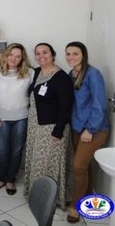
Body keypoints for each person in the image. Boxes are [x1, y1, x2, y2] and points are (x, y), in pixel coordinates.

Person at [23, 43, 73, 210]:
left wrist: (58, 131)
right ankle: (35, 195)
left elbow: (66, 106)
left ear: (53, 54)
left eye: (45, 52)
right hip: (35, 125)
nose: (41, 56)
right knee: (35, 160)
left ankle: (50, 199)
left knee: (47, 163)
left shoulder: (61, 78)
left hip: (51, 127)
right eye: (37, 53)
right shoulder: (36, 72)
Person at [65, 41, 110, 223]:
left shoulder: (93, 74)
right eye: (68, 54)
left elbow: (100, 104)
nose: (71, 57)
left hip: (94, 129)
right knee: (84, 166)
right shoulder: (71, 74)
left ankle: (75, 206)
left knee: (78, 167)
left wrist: (90, 129)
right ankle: (86, 199)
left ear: (83, 55)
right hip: (77, 128)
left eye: (75, 54)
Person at [0, 43, 34, 195]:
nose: (13, 58)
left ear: (22, 59)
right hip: (0, 117)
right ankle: (1, 178)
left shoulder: (30, 73)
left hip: (22, 118)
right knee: (1, 151)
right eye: (11, 55)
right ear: (5, 55)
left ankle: (10, 180)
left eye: (18, 56)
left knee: (16, 151)